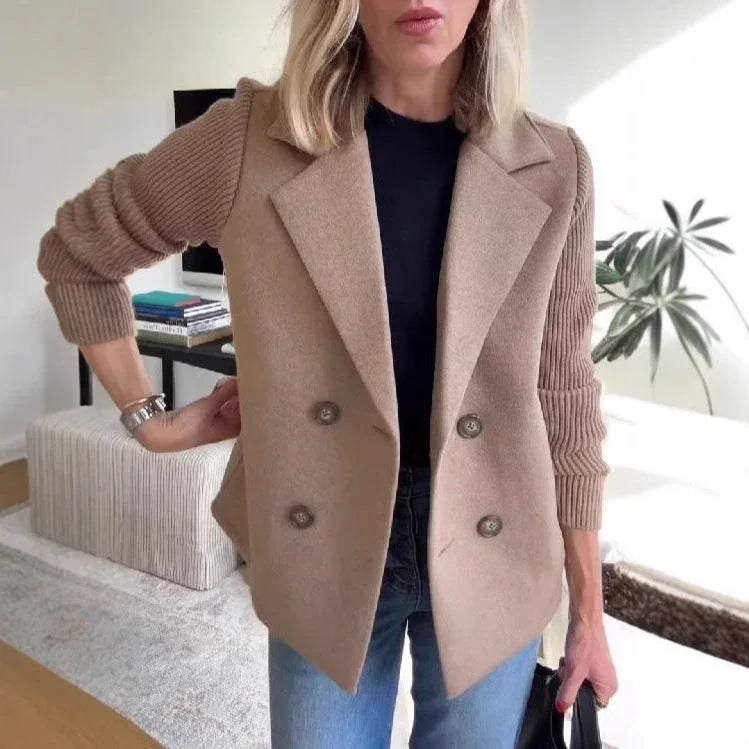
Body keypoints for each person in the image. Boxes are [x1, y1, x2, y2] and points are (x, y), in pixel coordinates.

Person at [37, 0, 618, 745]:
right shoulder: (248, 142)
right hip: (323, 544)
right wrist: (150, 420)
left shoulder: (555, 165)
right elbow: (78, 252)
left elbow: (564, 389)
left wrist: (588, 610)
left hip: (499, 542)